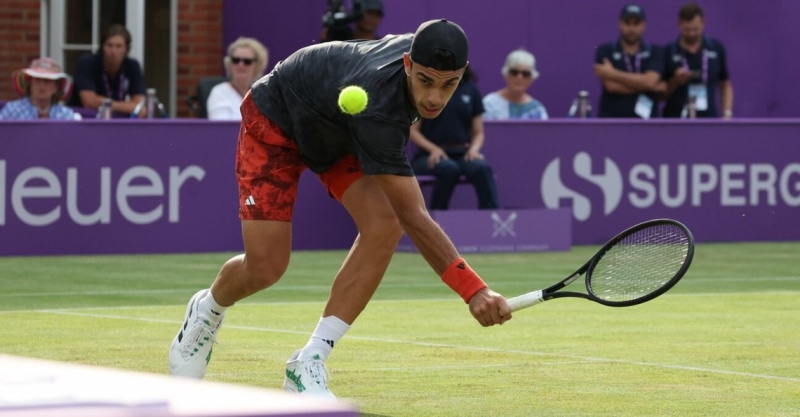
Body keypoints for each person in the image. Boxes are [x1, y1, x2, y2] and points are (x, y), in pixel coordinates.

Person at [168, 19, 511, 397]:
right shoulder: (379, 103)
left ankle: (309, 360)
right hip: (276, 120)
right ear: (408, 64)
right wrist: (474, 291)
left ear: (461, 75)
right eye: (426, 81)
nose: (434, 98)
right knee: (266, 267)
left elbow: (402, 216)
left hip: (339, 131)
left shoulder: (418, 69)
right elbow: (416, 216)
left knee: (384, 225)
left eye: (448, 85)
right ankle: (207, 310)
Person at [409, 67, 499, 210]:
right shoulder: (426, 90)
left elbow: (478, 132)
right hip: (428, 155)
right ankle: (435, 220)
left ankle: (491, 219)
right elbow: (413, 130)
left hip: (462, 153)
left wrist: (474, 149)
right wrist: (434, 149)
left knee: (481, 168)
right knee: (448, 169)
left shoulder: (470, 91)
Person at [661, 2, 733, 119]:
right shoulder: (668, 51)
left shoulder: (716, 48)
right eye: (687, 29)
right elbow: (661, 95)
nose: (691, 34)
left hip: (708, 118)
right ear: (679, 24)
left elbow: (725, 84)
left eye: (695, 29)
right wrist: (675, 80)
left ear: (704, 23)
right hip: (676, 118)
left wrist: (727, 113)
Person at [593, 4, 665, 119]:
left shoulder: (655, 51)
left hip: (647, 121)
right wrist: (649, 86)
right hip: (612, 119)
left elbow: (650, 81)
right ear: (620, 24)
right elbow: (612, 86)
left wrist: (613, 74)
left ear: (644, 25)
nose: (631, 29)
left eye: (636, 24)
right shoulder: (605, 51)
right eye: (627, 23)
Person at [68, 24, 146, 116]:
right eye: (109, 45)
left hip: (115, 117)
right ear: (102, 47)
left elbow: (140, 106)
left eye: (118, 46)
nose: (113, 51)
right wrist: (128, 107)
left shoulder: (132, 66)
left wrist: (104, 103)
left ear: (127, 49)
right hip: (85, 118)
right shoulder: (88, 62)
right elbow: (89, 102)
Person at [206, 37, 269, 121]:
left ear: (257, 66)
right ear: (229, 64)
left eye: (247, 61)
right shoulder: (219, 92)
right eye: (236, 60)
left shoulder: (262, 95)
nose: (241, 64)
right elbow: (221, 128)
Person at [0, 57, 78, 120]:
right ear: (30, 84)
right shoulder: (11, 111)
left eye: (47, 80)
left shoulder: (66, 115)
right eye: (37, 79)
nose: (42, 85)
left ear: (56, 87)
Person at [482, 49, 548, 120]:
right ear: (506, 75)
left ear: (531, 79)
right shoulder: (489, 104)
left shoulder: (537, 110)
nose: (519, 77)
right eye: (514, 72)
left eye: (525, 74)